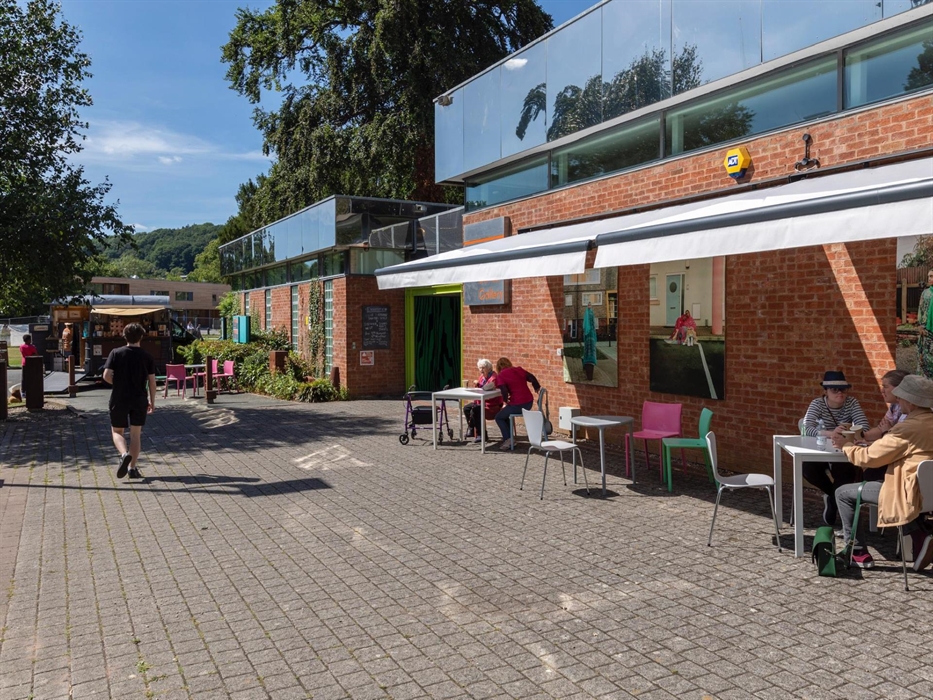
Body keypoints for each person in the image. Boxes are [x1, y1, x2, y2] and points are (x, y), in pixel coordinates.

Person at [832, 374, 933, 570]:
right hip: (929, 494)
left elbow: (869, 457)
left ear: (910, 402)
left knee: (843, 493)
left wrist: (846, 446)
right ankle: (923, 534)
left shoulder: (907, 429)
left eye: (901, 396)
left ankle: (857, 552)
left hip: (910, 492)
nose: (898, 400)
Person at [802, 370, 869, 526]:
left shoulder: (852, 403)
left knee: (846, 473)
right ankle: (833, 496)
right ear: (825, 392)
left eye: (843, 390)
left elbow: (863, 427)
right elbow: (806, 428)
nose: (840, 393)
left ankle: (832, 501)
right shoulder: (817, 404)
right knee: (808, 469)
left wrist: (845, 433)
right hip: (820, 449)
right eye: (834, 390)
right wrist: (831, 433)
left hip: (842, 450)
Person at [102, 322, 156, 480]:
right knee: (135, 435)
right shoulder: (147, 356)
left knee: (117, 431)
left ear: (124, 336)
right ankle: (132, 468)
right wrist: (152, 401)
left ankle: (124, 454)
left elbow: (106, 375)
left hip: (119, 397)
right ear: (141, 337)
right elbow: (152, 382)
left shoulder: (116, 353)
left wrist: (118, 384)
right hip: (139, 398)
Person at [493, 357, 540, 451]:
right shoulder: (519, 369)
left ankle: (508, 440)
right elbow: (532, 377)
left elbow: (504, 391)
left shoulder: (501, 375)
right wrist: (537, 387)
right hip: (529, 402)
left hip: (518, 404)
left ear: (498, 367)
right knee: (504, 415)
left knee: (498, 417)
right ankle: (510, 438)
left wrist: (505, 402)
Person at [858, 369, 911, 443]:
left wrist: (887, 431)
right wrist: (861, 436)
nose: (882, 391)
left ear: (898, 388)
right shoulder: (894, 405)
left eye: (885, 387)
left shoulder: (912, 408)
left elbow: (900, 440)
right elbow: (880, 429)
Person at [464, 359, 503, 442]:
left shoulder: (494, 377)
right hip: (482, 402)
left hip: (492, 404)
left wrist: (478, 384)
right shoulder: (482, 377)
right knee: (466, 408)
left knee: (476, 410)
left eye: (483, 368)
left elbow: (487, 388)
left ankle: (481, 434)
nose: (481, 370)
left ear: (489, 368)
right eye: (480, 368)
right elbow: (481, 390)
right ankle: (471, 429)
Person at [919, 269, 933, 380]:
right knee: (926, 355)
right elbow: (921, 309)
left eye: (932, 276)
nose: (929, 279)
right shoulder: (926, 293)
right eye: (929, 276)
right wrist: (921, 325)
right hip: (927, 330)